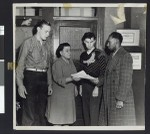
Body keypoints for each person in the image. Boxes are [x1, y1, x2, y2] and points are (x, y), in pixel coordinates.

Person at [16, 20, 53, 126]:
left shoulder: (46, 45)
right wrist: (20, 85)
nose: (48, 34)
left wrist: (49, 84)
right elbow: (20, 65)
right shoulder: (27, 43)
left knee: (41, 112)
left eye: (49, 32)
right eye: (46, 31)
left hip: (43, 78)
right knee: (29, 112)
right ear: (38, 29)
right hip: (30, 78)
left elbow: (48, 67)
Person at [103, 32, 136, 126]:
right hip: (110, 96)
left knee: (119, 124)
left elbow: (126, 79)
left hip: (119, 99)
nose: (107, 44)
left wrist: (120, 99)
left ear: (116, 42)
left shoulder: (125, 56)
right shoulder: (111, 56)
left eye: (109, 42)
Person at [46, 43, 80, 125]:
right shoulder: (57, 63)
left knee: (67, 120)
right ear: (61, 53)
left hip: (69, 95)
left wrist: (75, 87)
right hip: (59, 96)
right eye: (67, 51)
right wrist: (72, 78)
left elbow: (75, 74)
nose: (69, 53)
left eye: (70, 50)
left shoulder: (71, 61)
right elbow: (58, 79)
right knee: (57, 121)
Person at [79, 32, 107, 126]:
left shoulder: (100, 54)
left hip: (95, 86)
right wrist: (80, 86)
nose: (89, 44)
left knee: (94, 112)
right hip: (85, 85)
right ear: (84, 42)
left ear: (94, 41)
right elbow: (81, 71)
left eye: (91, 42)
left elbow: (103, 73)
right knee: (85, 111)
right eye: (87, 42)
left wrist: (97, 87)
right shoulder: (82, 55)